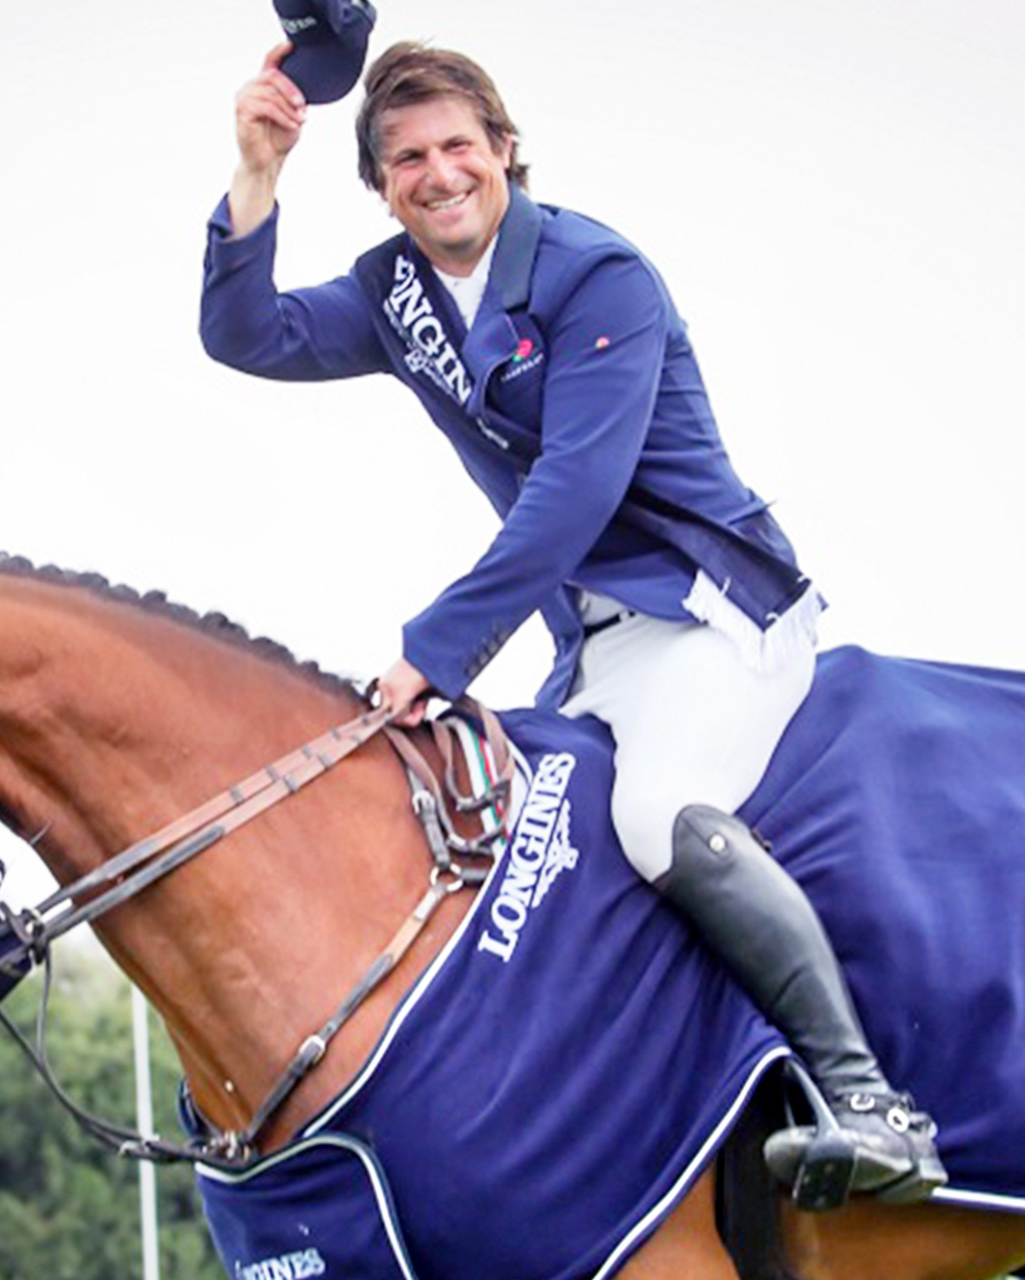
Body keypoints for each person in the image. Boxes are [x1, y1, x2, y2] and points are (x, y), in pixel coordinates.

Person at [200, 38, 945, 1210]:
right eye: (407, 159)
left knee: (653, 815)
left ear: (504, 150)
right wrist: (257, 170)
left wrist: (436, 648)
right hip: (590, 645)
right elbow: (248, 335)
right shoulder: (397, 294)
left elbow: (576, 492)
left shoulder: (601, 274)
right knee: (526, 857)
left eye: (459, 146)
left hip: (707, 616)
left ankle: (872, 1104)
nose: (439, 173)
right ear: (382, 185)